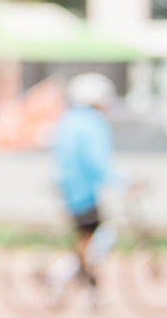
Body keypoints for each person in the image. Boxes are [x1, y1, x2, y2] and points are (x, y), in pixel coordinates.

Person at [51, 72, 125, 299]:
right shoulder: (93, 123)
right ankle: (62, 272)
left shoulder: (67, 119)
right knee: (100, 238)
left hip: (69, 189)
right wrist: (124, 182)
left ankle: (93, 292)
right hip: (85, 191)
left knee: (85, 239)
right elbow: (97, 162)